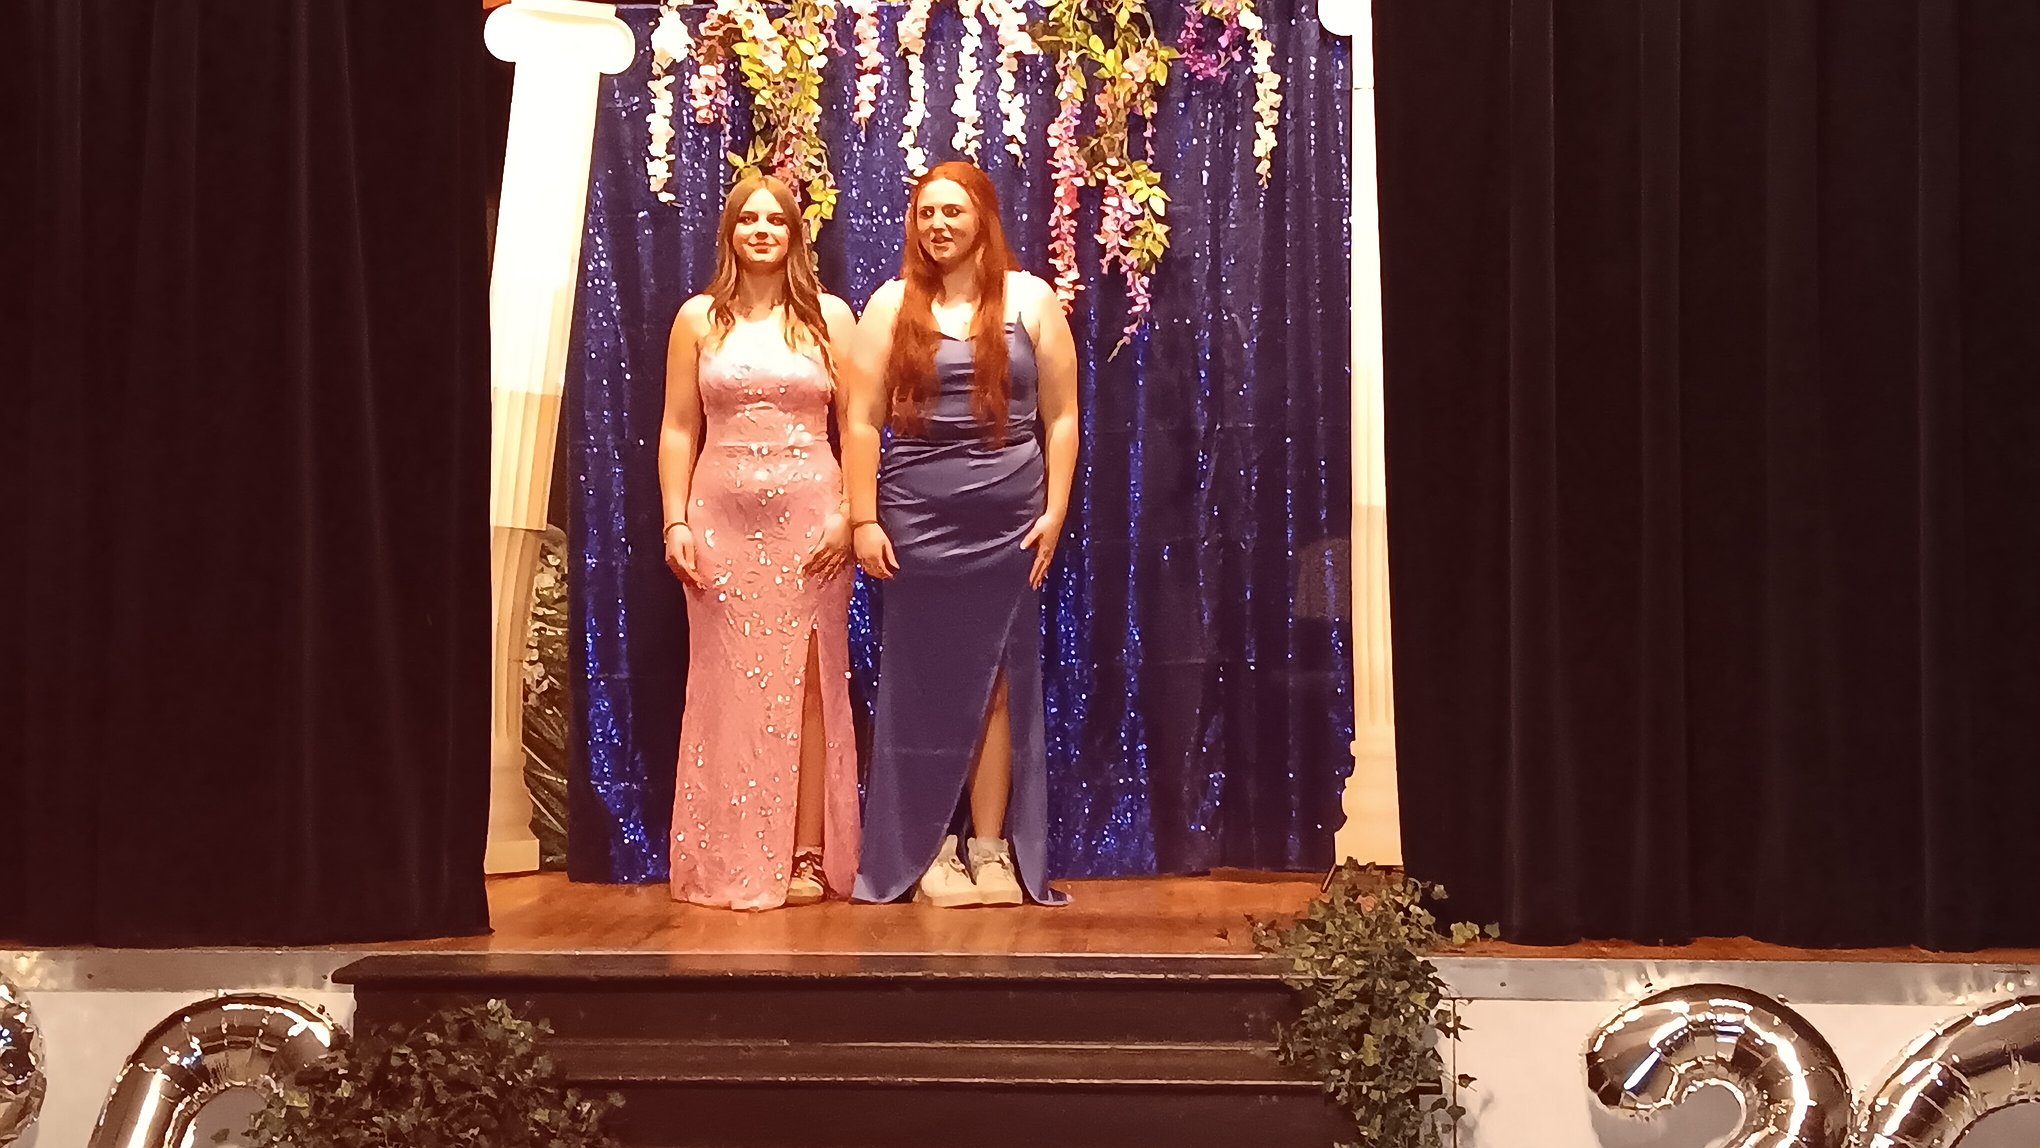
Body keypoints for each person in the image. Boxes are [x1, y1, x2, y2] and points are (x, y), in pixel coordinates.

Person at [843, 161, 1080, 907]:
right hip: (916, 523)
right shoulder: (890, 304)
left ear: (982, 216)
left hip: (1009, 526)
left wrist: (1055, 511)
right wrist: (862, 518)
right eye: (926, 213)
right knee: (921, 687)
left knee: (998, 685)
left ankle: (990, 848)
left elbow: (1062, 418)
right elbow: (861, 421)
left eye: (953, 211)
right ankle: (930, 849)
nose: (938, 224)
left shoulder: (1032, 299)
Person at [659, 175, 861, 909]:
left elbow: (859, 424)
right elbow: (678, 426)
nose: (763, 229)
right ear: (730, 232)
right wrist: (675, 520)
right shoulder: (698, 319)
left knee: (806, 682)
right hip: (721, 522)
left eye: (777, 219)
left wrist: (851, 513)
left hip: (812, 522)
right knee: (726, 684)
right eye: (749, 218)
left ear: (795, 235)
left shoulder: (829, 317)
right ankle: (728, 851)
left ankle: (804, 853)